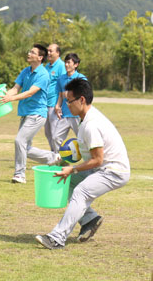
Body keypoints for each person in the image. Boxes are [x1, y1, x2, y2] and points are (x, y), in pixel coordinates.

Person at [35, 78, 131, 250]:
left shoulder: (91, 125)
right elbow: (85, 152)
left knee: (81, 191)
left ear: (81, 100)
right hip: (101, 168)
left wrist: (72, 169)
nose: (66, 105)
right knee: (67, 182)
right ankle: (90, 220)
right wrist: (63, 162)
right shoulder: (84, 118)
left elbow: (97, 159)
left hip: (113, 171)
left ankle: (57, 238)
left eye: (69, 101)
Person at [0, 44, 63, 184]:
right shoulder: (25, 71)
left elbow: (30, 92)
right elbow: (15, 88)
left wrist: (11, 99)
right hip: (25, 113)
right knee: (24, 148)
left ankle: (20, 174)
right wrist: (5, 95)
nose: (28, 54)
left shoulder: (44, 75)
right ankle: (53, 158)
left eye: (32, 52)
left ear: (40, 57)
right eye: (29, 51)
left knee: (19, 141)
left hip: (37, 114)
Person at [53, 53, 87, 150]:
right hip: (64, 114)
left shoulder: (81, 78)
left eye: (69, 62)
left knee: (82, 140)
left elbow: (85, 96)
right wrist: (57, 106)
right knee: (56, 138)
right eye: (65, 62)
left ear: (76, 65)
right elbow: (60, 95)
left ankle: (89, 162)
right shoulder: (61, 79)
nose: (66, 65)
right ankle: (61, 161)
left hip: (77, 115)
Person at [43, 43, 66, 152]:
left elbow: (63, 85)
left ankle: (59, 156)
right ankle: (54, 154)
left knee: (55, 133)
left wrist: (59, 104)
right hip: (45, 104)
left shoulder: (61, 66)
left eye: (51, 51)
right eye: (48, 51)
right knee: (47, 132)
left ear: (58, 53)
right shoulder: (47, 66)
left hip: (54, 104)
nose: (48, 53)